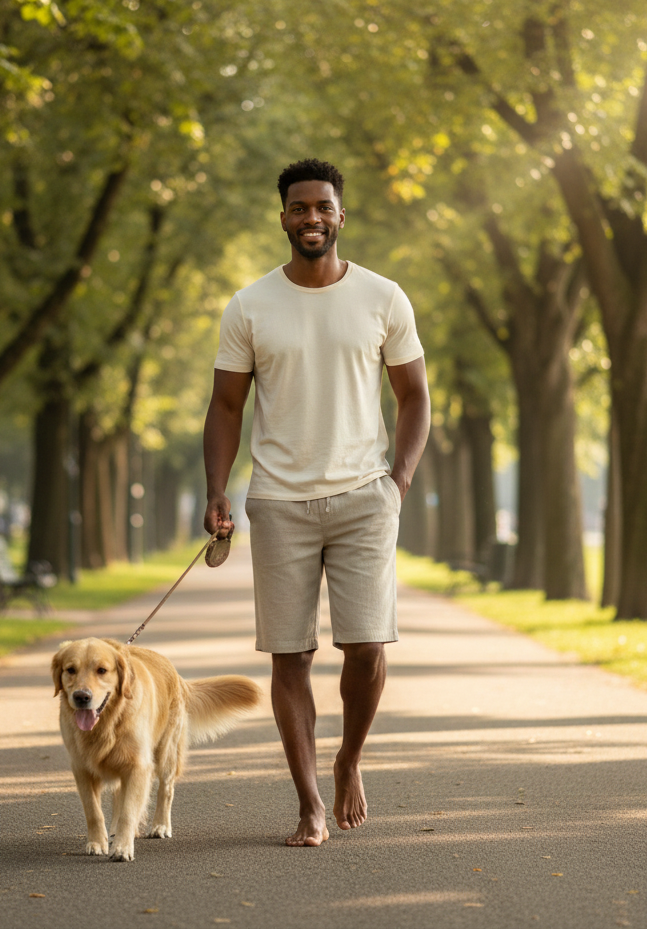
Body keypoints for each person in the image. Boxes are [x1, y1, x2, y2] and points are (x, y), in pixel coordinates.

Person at [202, 158, 431, 847]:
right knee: (290, 657)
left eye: (322, 207)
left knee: (365, 647)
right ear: (283, 217)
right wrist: (219, 491)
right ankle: (307, 804)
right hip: (279, 502)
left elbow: (414, 396)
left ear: (339, 215)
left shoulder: (383, 298)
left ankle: (349, 759)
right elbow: (225, 405)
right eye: (298, 207)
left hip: (365, 498)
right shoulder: (249, 306)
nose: (311, 218)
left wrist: (399, 480)